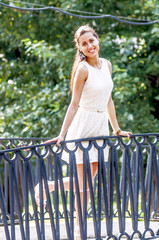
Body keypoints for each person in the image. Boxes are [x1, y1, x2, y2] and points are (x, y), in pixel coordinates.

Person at [34, 24, 132, 240]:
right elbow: (74, 104)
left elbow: (109, 100)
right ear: (79, 47)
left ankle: (49, 186)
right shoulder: (82, 69)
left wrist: (116, 129)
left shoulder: (107, 65)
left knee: (88, 182)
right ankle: (79, 229)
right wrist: (62, 134)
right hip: (83, 125)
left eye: (92, 41)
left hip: (100, 126)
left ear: (98, 40)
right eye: (84, 43)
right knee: (82, 185)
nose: (90, 46)